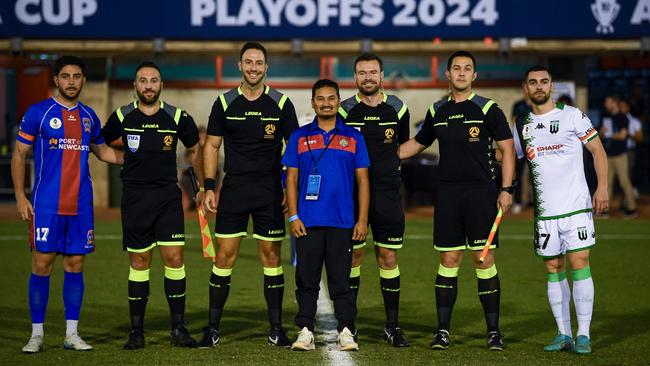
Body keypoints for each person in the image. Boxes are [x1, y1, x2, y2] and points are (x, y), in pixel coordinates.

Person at [399, 50, 515, 351]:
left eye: (467, 69)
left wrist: (507, 189)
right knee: (449, 260)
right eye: (456, 69)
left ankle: (493, 332)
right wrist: (379, 154)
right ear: (448, 75)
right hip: (448, 194)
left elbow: (507, 149)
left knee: (483, 259)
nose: (462, 73)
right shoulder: (437, 109)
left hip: (482, 193)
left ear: (474, 76)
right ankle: (442, 332)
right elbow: (417, 144)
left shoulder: (488, 108)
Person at [11, 55, 123, 353]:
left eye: (76, 76)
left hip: (81, 204)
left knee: (75, 265)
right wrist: (21, 196)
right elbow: (19, 154)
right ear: (56, 80)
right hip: (46, 204)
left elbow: (105, 153)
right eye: (65, 76)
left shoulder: (89, 116)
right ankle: (36, 335)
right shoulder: (39, 113)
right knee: (42, 264)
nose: (71, 81)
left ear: (83, 80)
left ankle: (71, 334)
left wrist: (144, 157)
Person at [199, 42, 299, 347]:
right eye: (248, 62)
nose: (253, 67)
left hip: (269, 189)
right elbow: (211, 146)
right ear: (239, 66)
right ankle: (212, 328)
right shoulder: (224, 102)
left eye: (259, 63)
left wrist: (286, 187)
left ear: (266, 68)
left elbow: (293, 149)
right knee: (225, 256)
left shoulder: (281, 103)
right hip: (235, 189)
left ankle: (276, 328)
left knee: (271, 256)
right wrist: (208, 185)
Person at [102, 61, 202, 349]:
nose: (148, 85)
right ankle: (136, 331)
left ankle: (178, 328)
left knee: (174, 259)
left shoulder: (177, 117)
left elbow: (194, 147)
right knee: (139, 262)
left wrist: (193, 175)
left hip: (167, 198)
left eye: (153, 80)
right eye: (143, 80)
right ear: (135, 85)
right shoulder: (122, 116)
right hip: (135, 198)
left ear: (161, 85)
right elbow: (100, 145)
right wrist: (124, 160)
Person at [513, 65, 608, 355]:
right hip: (546, 213)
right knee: (553, 269)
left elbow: (598, 151)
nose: (539, 86)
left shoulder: (572, 115)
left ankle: (584, 335)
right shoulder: (521, 124)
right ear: (525, 89)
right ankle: (563, 332)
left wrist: (602, 187)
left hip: (577, 207)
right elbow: (509, 157)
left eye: (544, 82)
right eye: (533, 82)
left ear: (551, 86)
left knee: (579, 263)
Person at [283, 79, 370, 352]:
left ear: (338, 101)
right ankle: (305, 331)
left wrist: (362, 219)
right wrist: (294, 217)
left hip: (342, 221)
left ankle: (346, 331)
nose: (326, 103)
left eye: (331, 98)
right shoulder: (299, 136)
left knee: (341, 281)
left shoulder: (354, 137)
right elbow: (292, 179)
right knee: (306, 280)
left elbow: (364, 181)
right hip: (307, 222)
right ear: (312, 103)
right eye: (320, 98)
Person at [338, 53, 410, 347]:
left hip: (388, 195)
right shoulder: (344, 111)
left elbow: (403, 147)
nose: (367, 77)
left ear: (381, 76)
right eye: (362, 72)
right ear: (355, 77)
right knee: (353, 257)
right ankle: (349, 326)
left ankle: (392, 326)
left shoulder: (398, 108)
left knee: (388, 257)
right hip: (352, 196)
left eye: (373, 72)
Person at [600, 96, 637, 218]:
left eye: (608, 102)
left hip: (620, 155)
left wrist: (608, 134)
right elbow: (601, 134)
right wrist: (602, 133)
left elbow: (622, 136)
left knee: (624, 182)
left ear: (614, 103)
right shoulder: (606, 116)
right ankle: (605, 210)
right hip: (608, 155)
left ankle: (632, 209)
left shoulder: (623, 117)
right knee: (607, 184)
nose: (606, 104)